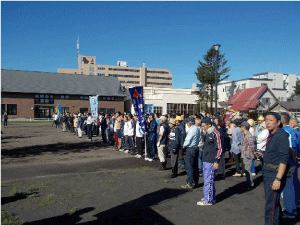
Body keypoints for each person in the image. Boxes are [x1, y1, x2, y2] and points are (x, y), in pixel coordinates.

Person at [261, 112, 289, 225]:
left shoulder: (281, 136)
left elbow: (283, 159)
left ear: (278, 122)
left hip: (274, 174)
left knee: (271, 206)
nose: (267, 122)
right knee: (273, 203)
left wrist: (278, 179)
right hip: (268, 172)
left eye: (271, 120)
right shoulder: (272, 134)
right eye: (266, 120)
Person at [197, 117, 222, 206]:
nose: (203, 127)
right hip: (206, 159)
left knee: (208, 181)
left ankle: (208, 200)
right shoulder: (207, 133)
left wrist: (216, 161)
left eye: (204, 126)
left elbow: (219, 148)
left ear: (209, 124)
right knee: (208, 180)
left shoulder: (215, 133)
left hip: (211, 160)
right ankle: (210, 197)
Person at [280, 112, 299, 220]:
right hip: (293, 161)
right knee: (294, 185)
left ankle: (290, 211)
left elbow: (289, 149)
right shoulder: (293, 131)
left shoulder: (285, 132)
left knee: (288, 187)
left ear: (282, 121)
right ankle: (295, 206)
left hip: (287, 161)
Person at [181, 117, 200, 189]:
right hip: (196, 148)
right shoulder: (197, 129)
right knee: (195, 166)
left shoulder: (192, 129)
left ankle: (190, 182)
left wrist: (184, 145)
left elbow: (188, 139)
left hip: (190, 148)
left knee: (189, 166)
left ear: (189, 123)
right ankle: (196, 181)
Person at [240, 121, 256, 190]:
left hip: (248, 155)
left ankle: (250, 184)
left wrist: (252, 154)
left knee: (248, 170)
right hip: (245, 155)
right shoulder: (245, 135)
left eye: (241, 126)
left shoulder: (248, 136)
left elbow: (252, 146)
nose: (240, 128)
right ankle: (248, 183)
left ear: (244, 127)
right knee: (246, 170)